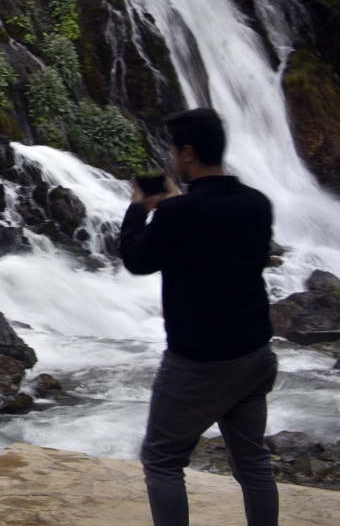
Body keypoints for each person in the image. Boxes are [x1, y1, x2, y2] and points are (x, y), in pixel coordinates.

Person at [120, 107, 278, 526]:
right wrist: (176, 207)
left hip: (199, 362)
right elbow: (232, 249)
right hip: (255, 353)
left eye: (173, 151)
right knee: (253, 462)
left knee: (162, 459)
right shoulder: (257, 204)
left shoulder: (179, 214)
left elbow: (137, 259)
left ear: (188, 153)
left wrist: (139, 209)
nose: (171, 159)